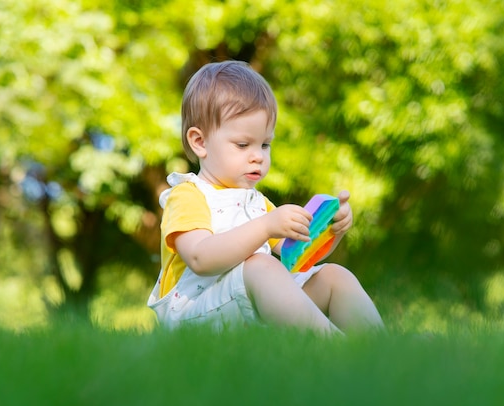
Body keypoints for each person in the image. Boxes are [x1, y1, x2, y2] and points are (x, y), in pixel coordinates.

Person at [147, 60, 384, 335]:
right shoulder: (187, 195)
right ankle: (336, 348)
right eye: (243, 144)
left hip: (244, 307)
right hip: (193, 315)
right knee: (260, 265)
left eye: (265, 144)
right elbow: (200, 258)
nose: (258, 155)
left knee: (334, 276)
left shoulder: (256, 203)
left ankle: (381, 349)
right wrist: (266, 226)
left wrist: (333, 229)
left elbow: (297, 258)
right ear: (200, 142)